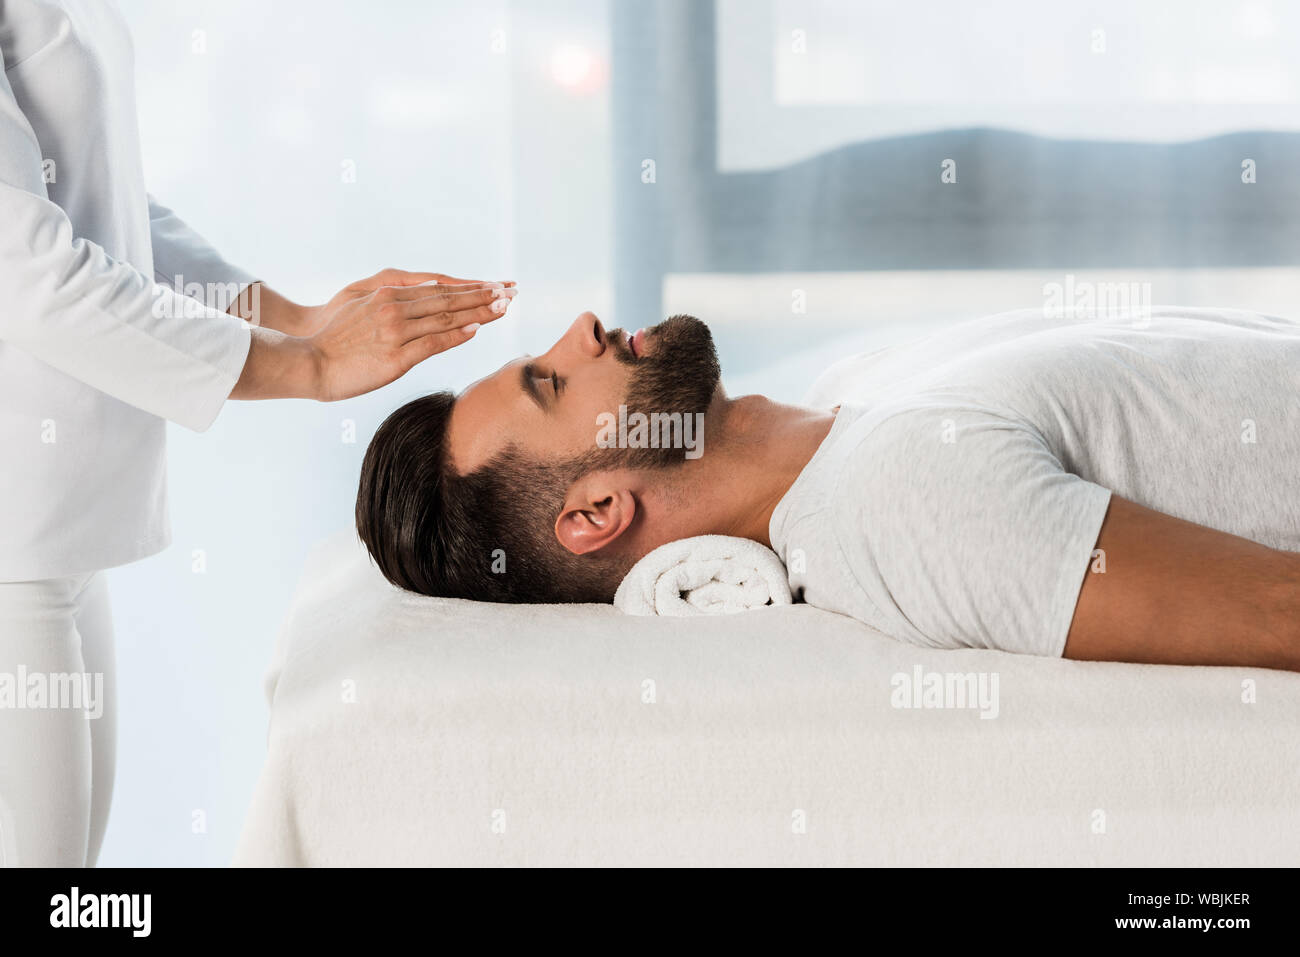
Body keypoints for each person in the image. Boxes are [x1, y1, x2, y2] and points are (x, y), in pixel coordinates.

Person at [0, 0, 515, 867]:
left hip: (62, 528)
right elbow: (28, 270)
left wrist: (301, 321)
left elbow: (102, 204)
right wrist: (307, 368)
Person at [356, 306, 1300, 672]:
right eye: (552, 384)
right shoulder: (900, 502)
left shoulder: (857, 388)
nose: (583, 326)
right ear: (598, 511)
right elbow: (1278, 612)